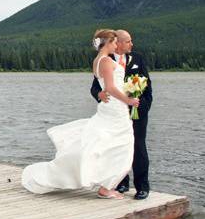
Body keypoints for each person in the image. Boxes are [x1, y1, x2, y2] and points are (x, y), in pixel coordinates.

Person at [22, 29, 139, 199]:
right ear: (106, 43)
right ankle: (106, 188)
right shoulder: (106, 61)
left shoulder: (98, 60)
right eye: (114, 42)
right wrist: (129, 101)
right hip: (115, 108)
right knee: (123, 144)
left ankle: (106, 184)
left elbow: (107, 87)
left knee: (108, 143)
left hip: (113, 107)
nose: (116, 45)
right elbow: (111, 88)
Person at [90, 30, 152, 200]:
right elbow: (96, 86)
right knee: (116, 145)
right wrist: (99, 95)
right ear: (117, 43)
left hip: (137, 111)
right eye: (128, 41)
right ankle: (121, 183)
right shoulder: (107, 61)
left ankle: (142, 187)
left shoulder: (137, 59)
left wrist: (143, 107)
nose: (131, 44)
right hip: (117, 109)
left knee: (138, 147)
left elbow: (147, 84)